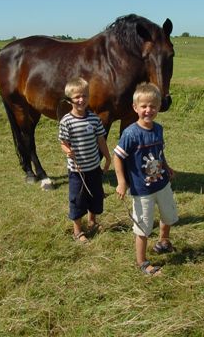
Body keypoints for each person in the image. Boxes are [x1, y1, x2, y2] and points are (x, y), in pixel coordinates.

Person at [114, 82, 178, 275]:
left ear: (158, 107)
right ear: (135, 108)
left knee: (168, 215)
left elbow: (159, 153)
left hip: (162, 183)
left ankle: (163, 242)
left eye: (152, 106)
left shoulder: (158, 129)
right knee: (143, 226)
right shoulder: (130, 133)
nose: (148, 110)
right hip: (142, 190)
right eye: (144, 106)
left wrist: (167, 167)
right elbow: (118, 156)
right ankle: (142, 262)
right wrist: (122, 182)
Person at [59, 77, 111, 244]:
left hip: (94, 167)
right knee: (78, 199)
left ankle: (92, 222)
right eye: (77, 97)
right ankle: (77, 231)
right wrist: (68, 151)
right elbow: (63, 143)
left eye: (85, 96)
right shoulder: (66, 121)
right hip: (77, 171)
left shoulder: (94, 119)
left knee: (95, 195)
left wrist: (108, 158)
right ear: (69, 100)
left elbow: (101, 140)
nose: (81, 100)